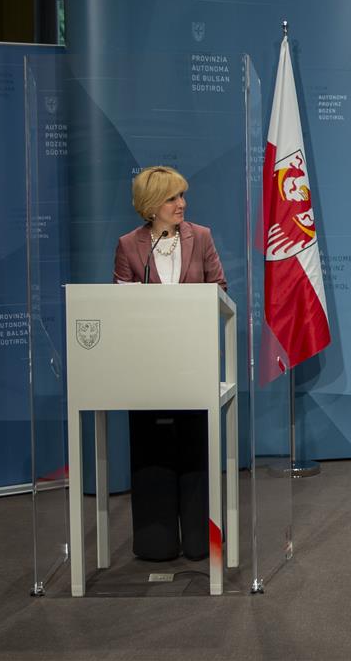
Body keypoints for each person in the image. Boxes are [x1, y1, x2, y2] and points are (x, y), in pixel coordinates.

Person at [113, 165, 228, 561]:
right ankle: (155, 540)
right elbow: (119, 304)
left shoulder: (202, 237)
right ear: (151, 205)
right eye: (172, 198)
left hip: (193, 362)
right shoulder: (129, 245)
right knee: (153, 449)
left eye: (182, 196)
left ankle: (200, 539)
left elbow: (220, 289)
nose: (182, 204)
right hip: (147, 367)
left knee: (195, 448)